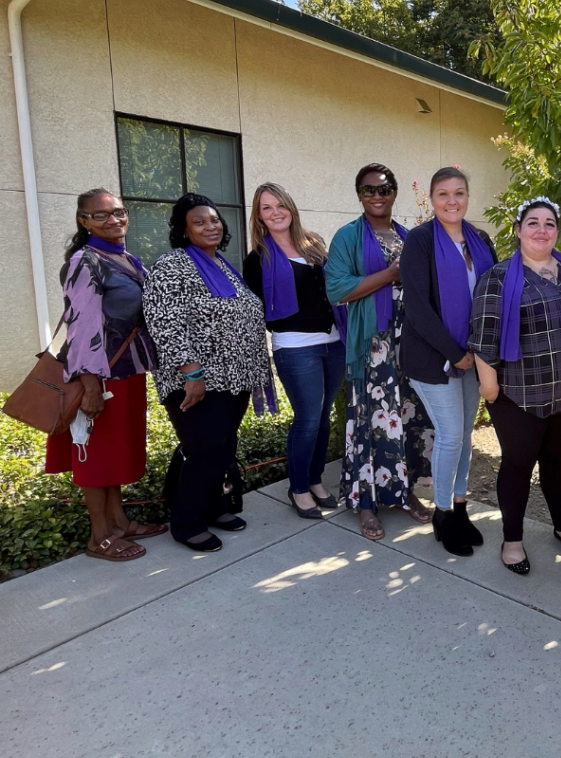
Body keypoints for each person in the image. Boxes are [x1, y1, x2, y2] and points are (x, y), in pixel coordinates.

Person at [143, 192, 274, 553]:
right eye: (199, 221)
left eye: (214, 219)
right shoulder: (172, 266)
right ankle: (186, 523)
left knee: (222, 447)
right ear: (184, 230)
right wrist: (192, 372)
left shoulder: (223, 265)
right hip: (196, 380)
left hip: (233, 380)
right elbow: (164, 322)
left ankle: (215, 506)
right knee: (205, 449)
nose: (210, 226)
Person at [469, 196, 561, 574]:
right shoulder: (499, 278)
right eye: (533, 223)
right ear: (519, 230)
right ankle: (513, 540)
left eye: (549, 223)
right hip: (517, 393)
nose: (541, 230)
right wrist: (490, 390)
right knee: (519, 463)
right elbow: (483, 338)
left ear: (557, 231)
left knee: (557, 460)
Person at [45, 189, 163, 561]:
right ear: (84, 221)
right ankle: (100, 537)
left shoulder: (126, 259)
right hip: (98, 375)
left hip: (126, 371)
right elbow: (80, 325)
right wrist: (90, 384)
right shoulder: (85, 260)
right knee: (93, 455)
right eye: (101, 215)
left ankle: (119, 521)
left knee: (112, 452)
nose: (113, 220)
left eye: (119, 212)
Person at [324, 164, 433, 540]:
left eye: (384, 190)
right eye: (369, 190)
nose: (377, 196)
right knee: (372, 421)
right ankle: (367, 504)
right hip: (374, 344)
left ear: (394, 193)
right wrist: (389, 275)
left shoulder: (406, 235)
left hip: (410, 343)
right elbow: (336, 289)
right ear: (358, 194)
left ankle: (404, 494)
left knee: (407, 417)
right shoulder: (348, 237)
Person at [401, 166, 498, 556]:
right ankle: (441, 515)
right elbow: (418, 308)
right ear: (432, 198)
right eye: (443, 194)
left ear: (467, 197)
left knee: (464, 439)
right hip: (434, 358)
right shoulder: (421, 241)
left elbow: (493, 294)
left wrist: (480, 353)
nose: (452, 201)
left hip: (476, 357)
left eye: (459, 193)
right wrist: (456, 354)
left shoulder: (481, 240)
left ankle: (460, 508)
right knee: (451, 435)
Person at [243, 182, 344, 520]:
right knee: (307, 419)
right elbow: (258, 310)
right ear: (259, 217)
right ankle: (298, 487)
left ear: (290, 207)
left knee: (325, 417)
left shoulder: (314, 244)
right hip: (296, 347)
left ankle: (315, 480)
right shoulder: (258, 259)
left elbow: (335, 286)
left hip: (334, 343)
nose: (275, 212)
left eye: (279, 205)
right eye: (266, 208)